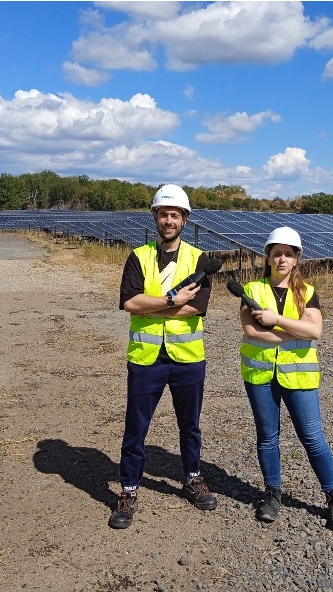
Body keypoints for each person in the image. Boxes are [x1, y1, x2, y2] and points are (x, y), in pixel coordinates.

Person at [109, 184, 217, 529]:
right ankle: (128, 490)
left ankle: (193, 478)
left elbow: (196, 308)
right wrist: (170, 301)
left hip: (187, 357)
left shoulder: (199, 259)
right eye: (163, 214)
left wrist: (151, 306)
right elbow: (128, 302)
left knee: (190, 425)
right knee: (136, 428)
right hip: (146, 358)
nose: (168, 220)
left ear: (184, 220)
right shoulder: (138, 256)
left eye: (175, 214)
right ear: (155, 217)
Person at [238, 226, 333, 530]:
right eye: (277, 254)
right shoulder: (253, 290)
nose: (282, 259)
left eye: (288, 254)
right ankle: (272, 494)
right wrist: (292, 330)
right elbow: (250, 330)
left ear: (296, 259)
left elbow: (315, 331)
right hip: (260, 374)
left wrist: (275, 322)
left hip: (299, 378)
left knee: (312, 438)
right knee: (267, 436)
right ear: (269, 257)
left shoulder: (308, 293)